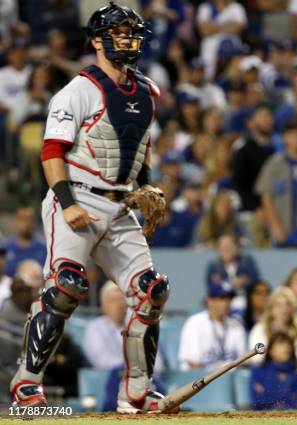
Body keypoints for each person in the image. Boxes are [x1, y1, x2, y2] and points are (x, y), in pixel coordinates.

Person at [9, 4, 175, 413]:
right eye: (117, 32)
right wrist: (66, 203)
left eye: (129, 31)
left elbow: (139, 146)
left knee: (151, 291)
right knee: (65, 286)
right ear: (97, 40)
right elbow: (52, 152)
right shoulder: (78, 90)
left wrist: (144, 188)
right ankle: (27, 385)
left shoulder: (148, 92)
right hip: (77, 196)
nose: (126, 38)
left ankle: (136, 393)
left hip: (119, 207)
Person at [178, 282, 246, 371]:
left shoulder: (236, 326)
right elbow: (193, 365)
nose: (226, 303)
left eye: (229, 299)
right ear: (209, 301)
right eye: (222, 298)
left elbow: (243, 363)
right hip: (200, 380)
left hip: (230, 381)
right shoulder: (195, 323)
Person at [249, 286, 297, 370]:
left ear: (293, 308)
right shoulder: (259, 330)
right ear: (271, 308)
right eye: (279, 305)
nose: (284, 309)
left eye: (288, 305)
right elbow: (256, 358)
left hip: (295, 377)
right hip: (266, 375)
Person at [249, 331, 297, 410]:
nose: (286, 347)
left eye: (288, 344)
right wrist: (289, 395)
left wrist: (267, 393)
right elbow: (258, 402)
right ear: (271, 351)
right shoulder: (258, 372)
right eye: (280, 343)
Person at [2, 206, 47, 278]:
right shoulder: (5, 248)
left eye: (30, 219)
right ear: (15, 221)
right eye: (22, 219)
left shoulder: (44, 248)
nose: (26, 223)